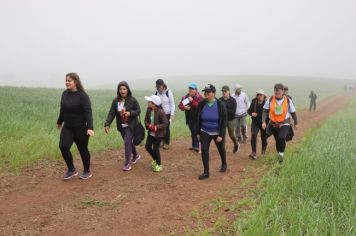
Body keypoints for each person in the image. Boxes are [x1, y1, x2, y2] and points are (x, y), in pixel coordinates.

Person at [57, 72, 94, 180]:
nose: (67, 82)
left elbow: (88, 112)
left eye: (69, 81)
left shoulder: (83, 96)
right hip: (68, 127)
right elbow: (62, 109)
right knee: (63, 146)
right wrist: (59, 121)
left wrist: (90, 128)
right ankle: (71, 169)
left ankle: (87, 171)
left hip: (81, 128)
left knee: (83, 149)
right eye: (66, 80)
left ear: (75, 82)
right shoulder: (65, 94)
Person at [104, 81, 141, 171]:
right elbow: (111, 113)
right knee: (128, 141)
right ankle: (136, 155)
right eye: (120, 89)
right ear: (118, 90)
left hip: (131, 125)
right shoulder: (116, 101)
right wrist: (107, 124)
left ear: (127, 90)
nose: (122, 91)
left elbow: (138, 111)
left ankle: (127, 164)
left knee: (127, 142)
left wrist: (130, 113)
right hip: (121, 126)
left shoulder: (133, 100)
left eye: (124, 89)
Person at [197, 84, 228, 180]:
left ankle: (224, 163)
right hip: (205, 130)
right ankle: (206, 172)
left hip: (217, 131)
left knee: (221, 148)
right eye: (205, 92)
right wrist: (198, 132)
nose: (206, 94)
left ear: (214, 93)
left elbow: (224, 121)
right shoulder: (202, 103)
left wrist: (221, 135)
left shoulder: (220, 104)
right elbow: (198, 118)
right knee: (204, 150)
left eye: (208, 92)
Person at [262, 83, 299, 163]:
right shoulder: (270, 99)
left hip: (284, 123)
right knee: (277, 140)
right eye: (276, 91)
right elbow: (265, 111)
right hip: (274, 124)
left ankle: (281, 154)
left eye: (279, 91)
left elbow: (293, 112)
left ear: (283, 92)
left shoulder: (288, 100)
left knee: (281, 137)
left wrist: (296, 122)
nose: (277, 93)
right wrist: (264, 121)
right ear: (274, 91)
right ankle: (279, 155)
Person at [144, 95, 168, 172]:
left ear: (154, 104)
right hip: (151, 133)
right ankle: (155, 159)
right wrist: (148, 125)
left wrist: (156, 127)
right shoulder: (148, 110)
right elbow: (146, 120)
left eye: (149, 101)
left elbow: (165, 123)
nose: (148, 102)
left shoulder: (161, 112)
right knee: (147, 146)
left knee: (155, 149)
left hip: (159, 134)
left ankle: (159, 165)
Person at [178, 83, 203, 152]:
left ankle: (198, 146)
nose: (191, 90)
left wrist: (192, 101)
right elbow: (180, 105)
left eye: (192, 89)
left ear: (196, 90)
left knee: (196, 132)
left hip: (198, 118)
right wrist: (184, 107)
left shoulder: (199, 97)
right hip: (189, 118)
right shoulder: (186, 97)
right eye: (190, 89)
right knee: (192, 131)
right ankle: (194, 146)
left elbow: (199, 107)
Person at [247, 89, 268, 160]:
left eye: (261, 94)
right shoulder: (254, 102)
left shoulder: (267, 102)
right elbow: (249, 111)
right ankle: (254, 152)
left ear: (264, 95)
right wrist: (251, 113)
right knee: (254, 135)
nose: (259, 96)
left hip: (264, 123)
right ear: (256, 95)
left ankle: (263, 151)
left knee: (264, 138)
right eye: (258, 95)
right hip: (255, 122)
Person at [155, 79, 175, 150]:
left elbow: (172, 104)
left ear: (163, 85)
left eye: (160, 86)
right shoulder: (156, 93)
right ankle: (162, 140)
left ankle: (167, 143)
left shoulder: (168, 92)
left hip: (167, 114)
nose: (159, 88)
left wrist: (172, 114)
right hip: (159, 114)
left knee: (166, 128)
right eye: (158, 86)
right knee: (160, 127)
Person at [219, 85, 240, 153]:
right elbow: (218, 110)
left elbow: (233, 111)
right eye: (223, 91)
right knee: (222, 134)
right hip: (222, 120)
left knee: (231, 135)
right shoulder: (220, 100)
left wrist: (224, 109)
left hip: (231, 119)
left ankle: (236, 144)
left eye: (225, 91)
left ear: (229, 92)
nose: (224, 92)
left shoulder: (233, 100)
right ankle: (223, 149)